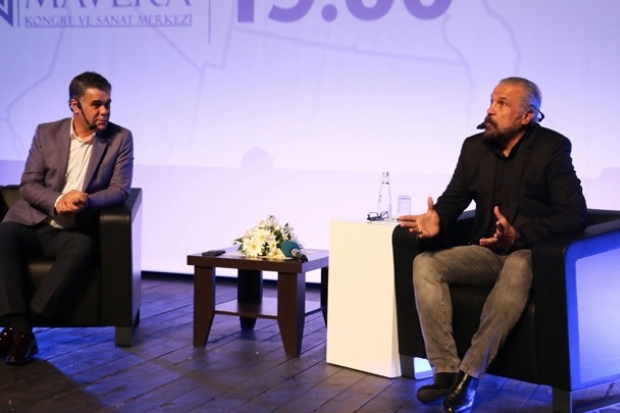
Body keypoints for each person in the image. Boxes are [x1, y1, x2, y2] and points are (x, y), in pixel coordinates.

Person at [398, 77, 587, 413]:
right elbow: (453, 199)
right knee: (426, 263)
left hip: (532, 254)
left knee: (518, 262)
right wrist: (438, 218)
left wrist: (520, 236)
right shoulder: (475, 148)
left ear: (526, 116)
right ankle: (444, 370)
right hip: (486, 252)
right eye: (490, 101)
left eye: (501, 103)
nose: (490, 110)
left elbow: (574, 214)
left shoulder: (552, 148)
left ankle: (469, 377)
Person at [0, 71, 134, 365]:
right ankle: (20, 329)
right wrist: (58, 201)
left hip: (72, 231)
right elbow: (28, 184)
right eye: (96, 104)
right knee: (3, 235)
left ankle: (21, 328)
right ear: (75, 105)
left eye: (108, 104)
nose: (104, 111)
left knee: (82, 249)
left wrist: (86, 200)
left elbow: (119, 189)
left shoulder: (120, 138)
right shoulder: (46, 133)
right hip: (33, 220)